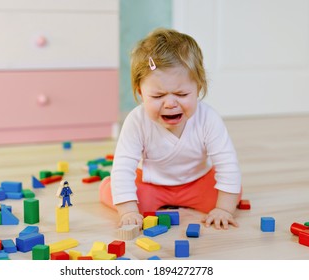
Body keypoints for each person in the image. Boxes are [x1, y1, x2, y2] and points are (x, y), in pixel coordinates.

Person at [99, 28, 242, 230]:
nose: (170, 104)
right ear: (141, 92)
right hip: (152, 184)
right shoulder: (136, 121)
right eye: (157, 97)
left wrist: (224, 209)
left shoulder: (208, 119)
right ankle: (108, 184)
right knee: (123, 196)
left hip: (196, 181)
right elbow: (123, 167)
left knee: (232, 193)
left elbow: (227, 164)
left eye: (182, 94)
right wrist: (128, 211)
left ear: (198, 88)